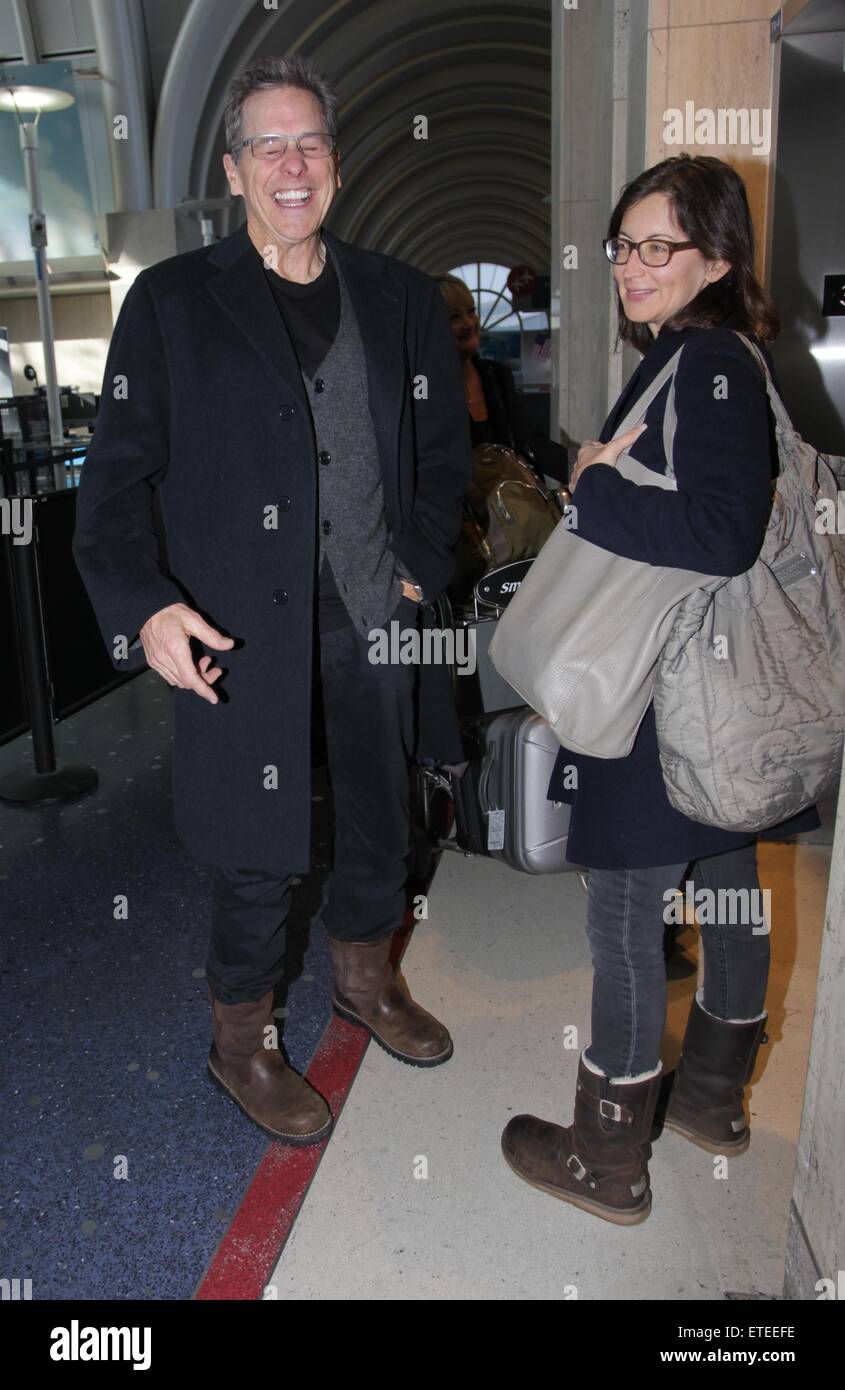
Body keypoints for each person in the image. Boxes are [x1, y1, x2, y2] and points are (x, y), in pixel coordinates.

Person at [72, 54, 470, 1146]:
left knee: (382, 820)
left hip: (369, 621)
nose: (291, 165)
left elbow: (443, 457)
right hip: (236, 630)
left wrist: (416, 565)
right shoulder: (169, 306)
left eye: (309, 144)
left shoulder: (397, 299)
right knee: (256, 845)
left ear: (333, 162)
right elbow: (110, 493)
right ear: (233, 169)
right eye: (268, 146)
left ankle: (362, 978)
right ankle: (240, 1039)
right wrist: (145, 606)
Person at [500, 154, 819, 1224]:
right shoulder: (722, 357)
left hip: (665, 688)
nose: (632, 267)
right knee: (728, 882)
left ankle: (606, 1157)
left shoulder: (708, 364)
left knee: (626, 914)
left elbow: (719, 533)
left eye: (658, 247)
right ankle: (714, 1099)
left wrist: (591, 492)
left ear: (716, 259)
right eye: (623, 245)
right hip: (721, 695)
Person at [436, 274, 568, 479]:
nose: (469, 323)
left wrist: (584, 471)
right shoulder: (424, 390)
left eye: (471, 312)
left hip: (509, 504)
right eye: (455, 316)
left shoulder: (497, 375)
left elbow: (529, 440)